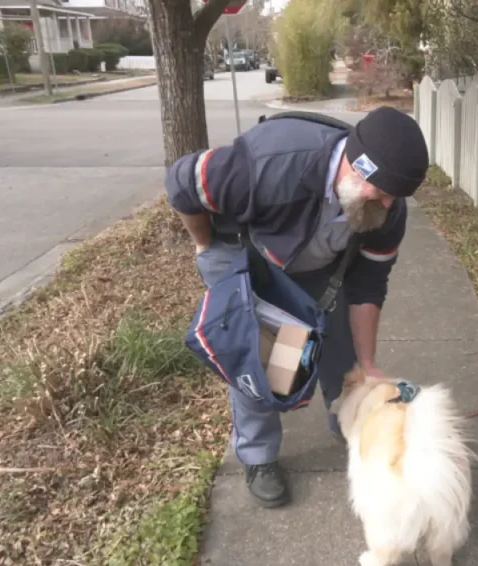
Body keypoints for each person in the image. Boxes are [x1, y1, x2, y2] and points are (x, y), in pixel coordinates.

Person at [164, 107, 429, 508]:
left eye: (395, 197)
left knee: (344, 357)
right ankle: (259, 457)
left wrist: (369, 364)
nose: (386, 203)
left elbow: (369, 286)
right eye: (379, 190)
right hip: (255, 259)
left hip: (323, 268)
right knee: (270, 364)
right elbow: (183, 182)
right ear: (353, 164)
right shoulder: (271, 163)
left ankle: (347, 421)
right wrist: (206, 246)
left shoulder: (386, 211)